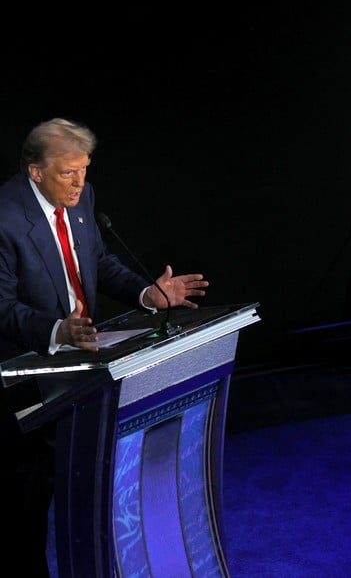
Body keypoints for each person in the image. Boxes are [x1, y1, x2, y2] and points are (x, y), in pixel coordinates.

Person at [0, 117, 208, 575]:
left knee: (89, 482)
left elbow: (97, 259)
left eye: (84, 169)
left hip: (86, 365)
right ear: (35, 172)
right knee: (27, 501)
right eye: (66, 173)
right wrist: (57, 330)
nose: (79, 183)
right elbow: (2, 306)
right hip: (25, 377)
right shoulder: (5, 218)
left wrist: (145, 293)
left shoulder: (81, 198)